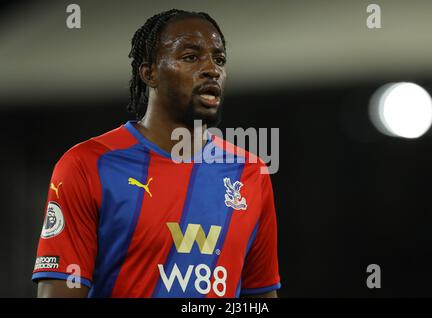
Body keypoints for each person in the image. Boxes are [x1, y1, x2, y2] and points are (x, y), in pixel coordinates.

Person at [32, 9, 281, 298]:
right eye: (190, 57)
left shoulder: (250, 172)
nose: (212, 69)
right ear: (149, 73)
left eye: (220, 59)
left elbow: (260, 295)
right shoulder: (88, 165)